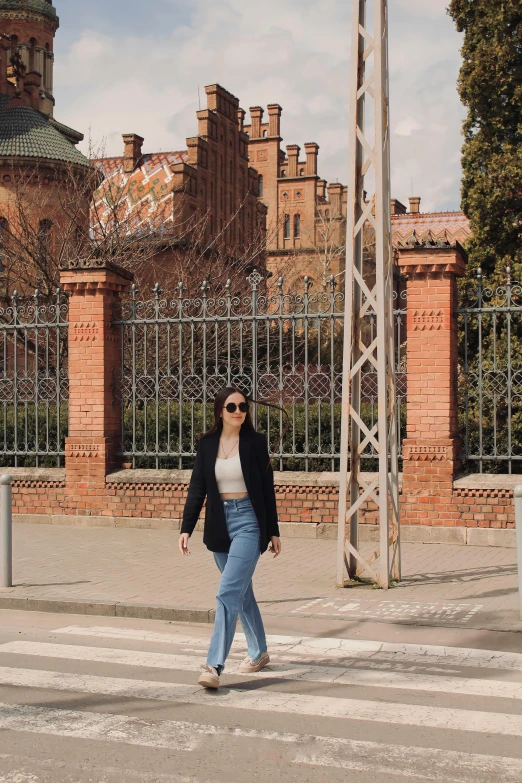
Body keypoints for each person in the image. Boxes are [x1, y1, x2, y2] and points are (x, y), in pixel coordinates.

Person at [179, 386, 282, 689]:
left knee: (227, 592)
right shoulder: (207, 444)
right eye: (232, 407)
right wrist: (186, 527)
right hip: (220, 524)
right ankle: (259, 651)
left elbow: (267, 489)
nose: (238, 412)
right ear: (219, 411)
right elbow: (197, 487)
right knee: (241, 591)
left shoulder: (255, 443)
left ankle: (213, 665)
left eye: (243, 407)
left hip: (249, 522)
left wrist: (273, 530)